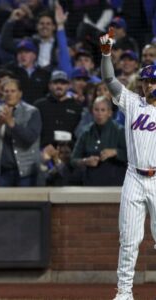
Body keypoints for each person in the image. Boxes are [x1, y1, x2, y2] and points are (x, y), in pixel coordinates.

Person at [100, 28, 156, 300]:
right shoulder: (133, 103)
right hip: (134, 176)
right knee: (129, 240)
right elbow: (109, 78)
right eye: (146, 81)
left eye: (154, 81)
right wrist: (107, 54)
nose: (150, 85)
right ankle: (123, 292)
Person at [0, 79, 42, 187]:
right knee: (3, 204)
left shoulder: (32, 112)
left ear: (20, 93)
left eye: (13, 91)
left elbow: (30, 138)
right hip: (3, 171)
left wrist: (11, 123)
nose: (9, 94)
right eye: (6, 91)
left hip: (26, 172)